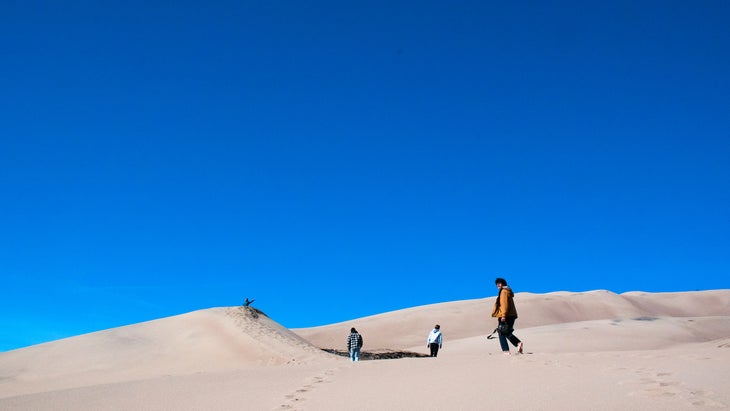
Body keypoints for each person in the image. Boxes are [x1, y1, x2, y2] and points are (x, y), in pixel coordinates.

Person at [491, 277, 523, 355]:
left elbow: (504, 304)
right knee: (506, 332)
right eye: (497, 283)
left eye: (500, 283)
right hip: (511, 315)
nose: (498, 285)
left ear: (503, 284)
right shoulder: (507, 291)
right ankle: (518, 343)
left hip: (506, 315)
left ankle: (506, 351)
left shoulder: (504, 292)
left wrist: (503, 315)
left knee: (501, 332)